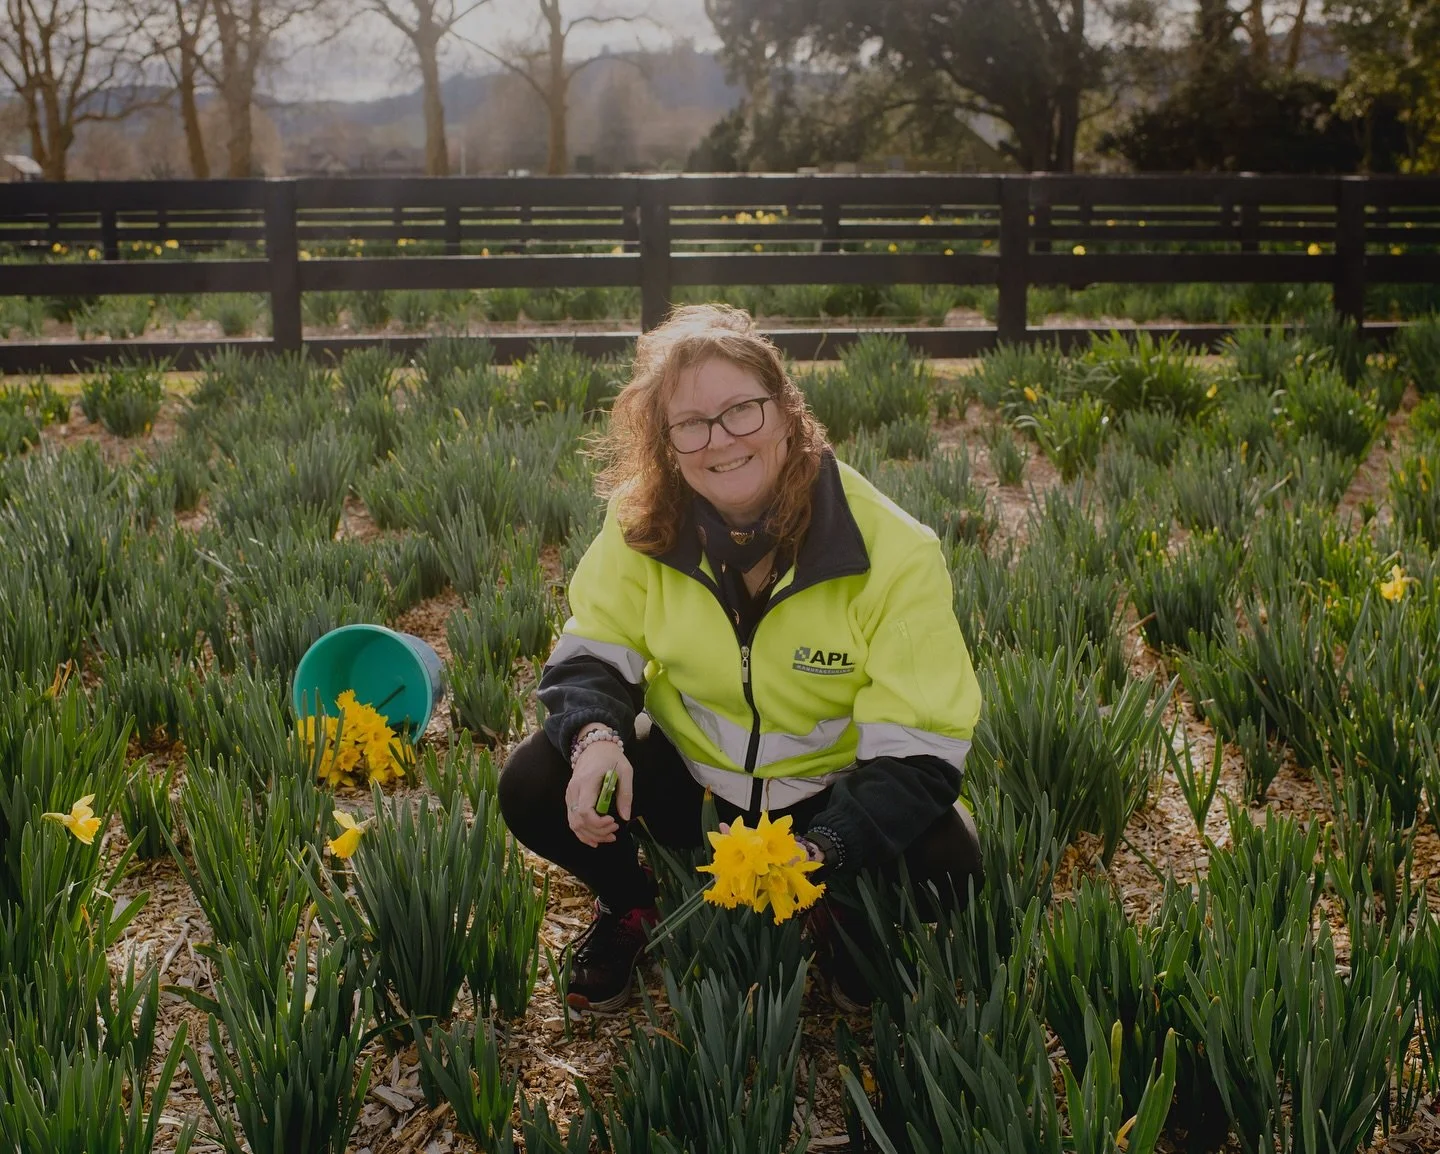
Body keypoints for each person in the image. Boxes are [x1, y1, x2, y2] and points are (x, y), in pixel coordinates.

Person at [498, 304, 984, 1014]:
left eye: (742, 411)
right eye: (689, 424)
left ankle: (839, 904)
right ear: (666, 444)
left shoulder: (892, 551)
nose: (719, 440)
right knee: (535, 778)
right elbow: (594, 647)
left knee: (949, 862)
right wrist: (598, 741)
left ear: (788, 413)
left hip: (826, 792)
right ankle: (631, 903)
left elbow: (920, 751)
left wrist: (823, 848)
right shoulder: (644, 524)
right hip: (692, 787)